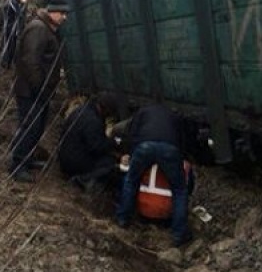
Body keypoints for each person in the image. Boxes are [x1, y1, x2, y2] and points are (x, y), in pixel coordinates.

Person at [115, 103, 192, 247]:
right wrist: (181, 157)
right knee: (179, 190)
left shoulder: (142, 111)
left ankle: (122, 218)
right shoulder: (174, 115)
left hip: (145, 147)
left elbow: (131, 133)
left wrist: (130, 153)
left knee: (131, 181)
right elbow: (183, 140)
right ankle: (178, 234)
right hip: (169, 148)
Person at [9, 1, 68, 183]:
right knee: (29, 127)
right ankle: (18, 166)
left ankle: (27, 159)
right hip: (31, 91)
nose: (65, 17)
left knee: (37, 127)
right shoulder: (39, 29)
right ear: (51, 12)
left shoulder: (45, 28)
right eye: (62, 13)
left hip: (38, 91)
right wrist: (40, 88)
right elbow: (30, 61)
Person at [57, 92, 120, 191]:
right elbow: (96, 148)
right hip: (74, 162)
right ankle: (82, 179)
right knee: (109, 164)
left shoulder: (81, 110)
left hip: (65, 156)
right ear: (105, 109)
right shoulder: (93, 121)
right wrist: (112, 143)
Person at [0, 0, 27, 69]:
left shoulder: (12, 3)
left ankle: (7, 63)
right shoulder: (11, 3)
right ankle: (5, 63)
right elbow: (20, 15)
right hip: (9, 29)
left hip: (11, 29)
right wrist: (24, 5)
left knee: (11, 46)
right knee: (8, 46)